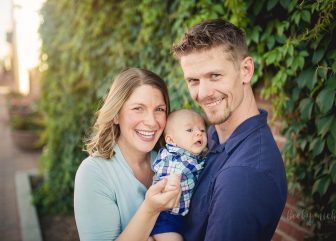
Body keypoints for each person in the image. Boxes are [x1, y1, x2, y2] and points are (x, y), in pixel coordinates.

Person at [172, 19, 288, 241]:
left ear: (245, 70)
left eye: (215, 76)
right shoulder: (212, 136)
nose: (203, 93)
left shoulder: (243, 175)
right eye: (193, 80)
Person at [74, 68, 181, 241]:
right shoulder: (93, 173)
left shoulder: (168, 162)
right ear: (116, 115)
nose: (151, 121)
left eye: (159, 109)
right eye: (138, 108)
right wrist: (150, 209)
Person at [151, 109, 208, 241]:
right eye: (189, 130)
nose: (198, 133)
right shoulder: (173, 157)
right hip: (166, 217)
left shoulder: (194, 155)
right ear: (171, 140)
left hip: (184, 215)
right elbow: (168, 173)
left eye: (202, 130)